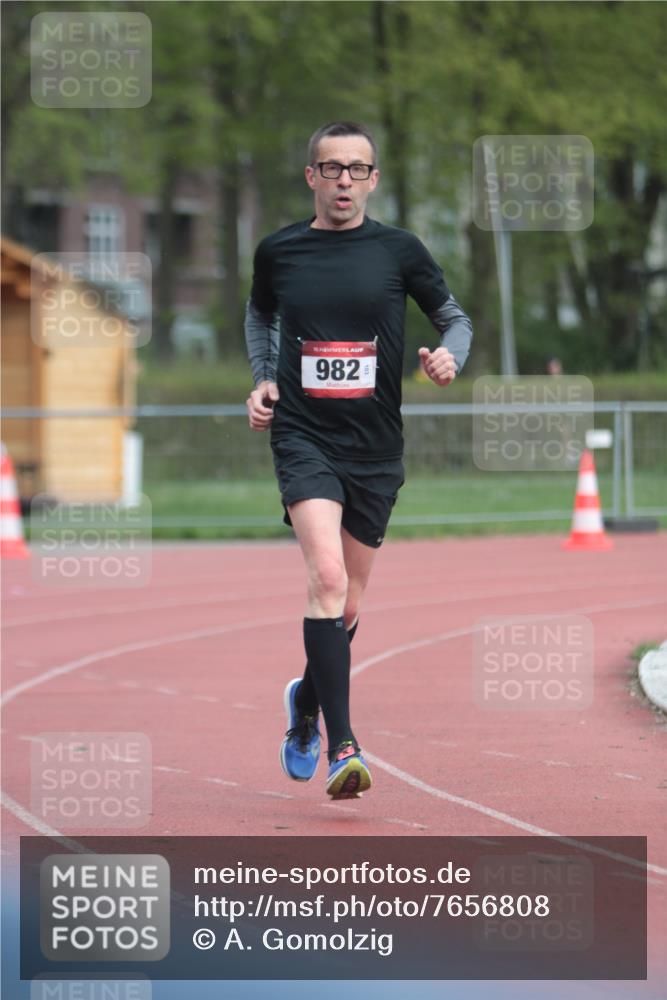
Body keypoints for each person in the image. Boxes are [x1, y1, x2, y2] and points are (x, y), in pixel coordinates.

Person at [245, 121, 473, 800]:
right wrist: (262, 378)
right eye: (331, 168)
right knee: (325, 575)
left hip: (374, 447)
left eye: (357, 169)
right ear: (310, 176)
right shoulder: (279, 250)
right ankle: (341, 744)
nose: (344, 180)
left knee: (348, 603)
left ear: (373, 179)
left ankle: (306, 703)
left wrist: (447, 356)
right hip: (302, 435)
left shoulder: (399, 251)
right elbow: (259, 317)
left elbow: (453, 319)